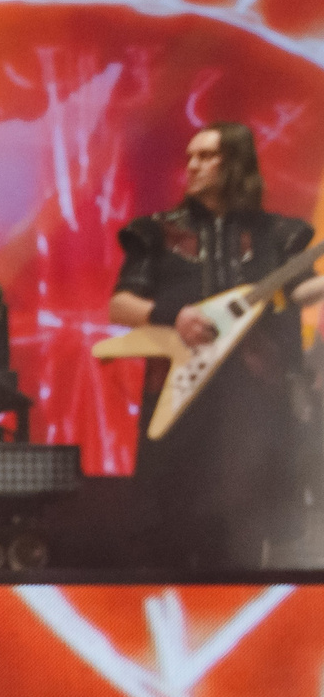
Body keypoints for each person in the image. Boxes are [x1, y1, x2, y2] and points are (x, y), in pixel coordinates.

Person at [108, 121, 324, 567]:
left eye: (207, 156)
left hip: (253, 390)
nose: (193, 165)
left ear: (237, 163)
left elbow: (300, 291)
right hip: (181, 391)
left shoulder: (278, 234)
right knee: (173, 510)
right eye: (190, 156)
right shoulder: (156, 231)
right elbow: (121, 305)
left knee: (248, 511)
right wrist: (174, 315)